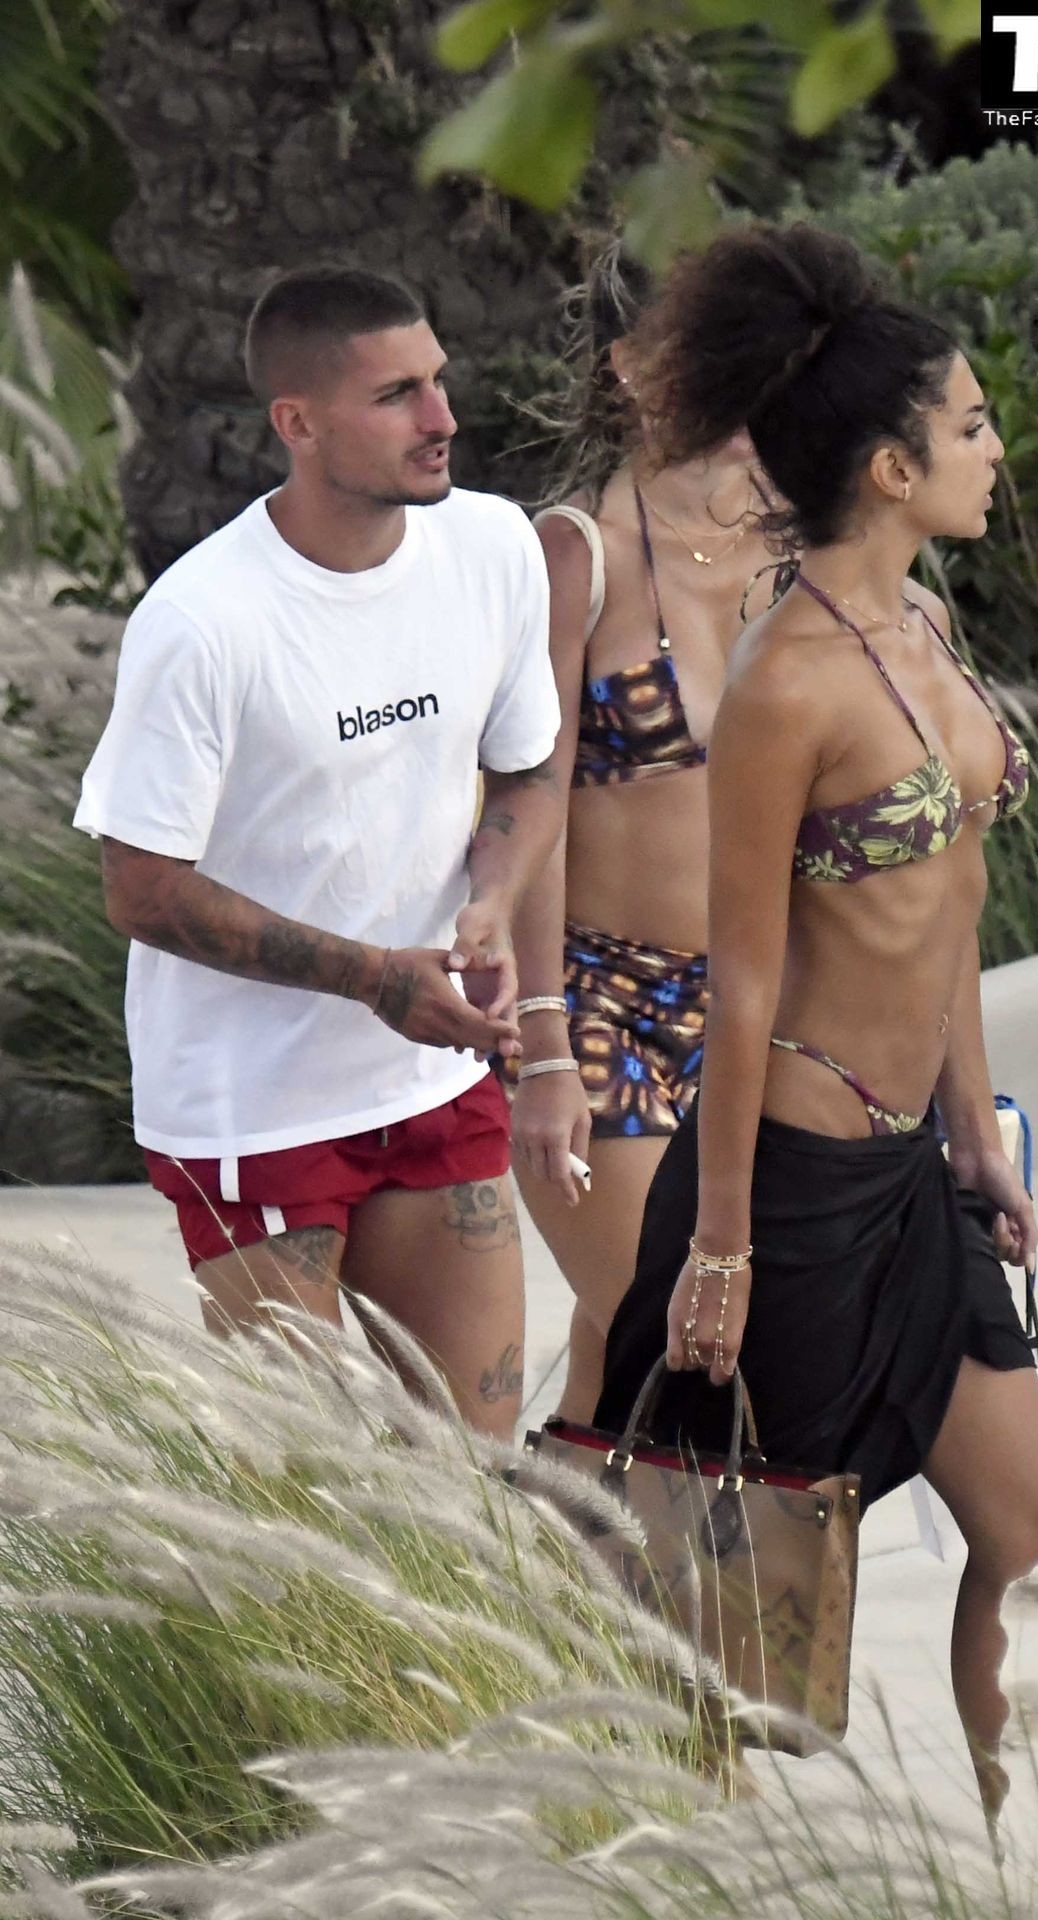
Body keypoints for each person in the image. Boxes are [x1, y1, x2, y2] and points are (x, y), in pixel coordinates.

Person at [593, 224, 1038, 1828]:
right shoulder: (785, 683)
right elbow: (740, 983)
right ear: (888, 468)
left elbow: (949, 906)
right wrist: (719, 1251)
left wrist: (974, 1133)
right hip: (791, 1195)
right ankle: (688, 1865)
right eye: (970, 426)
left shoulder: (922, 628)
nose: (994, 451)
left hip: (910, 1178)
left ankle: (1032, 1856)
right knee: (735, 1615)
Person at [74, 265, 563, 1440]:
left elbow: (532, 769)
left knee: (475, 1474)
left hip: (433, 1074)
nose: (442, 419)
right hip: (252, 1109)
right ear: (296, 422)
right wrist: (373, 977)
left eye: (437, 382)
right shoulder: (204, 621)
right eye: (397, 395)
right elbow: (140, 890)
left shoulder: (493, 547)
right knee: (306, 1480)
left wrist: (490, 899)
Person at [504, 243, 786, 1422]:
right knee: (669, 1339)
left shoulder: (802, 545)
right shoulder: (573, 554)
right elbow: (525, 811)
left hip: (756, 1005)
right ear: (629, 366)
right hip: (602, 1001)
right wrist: (542, 1043)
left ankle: (555, 1526)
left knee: (620, 1360)